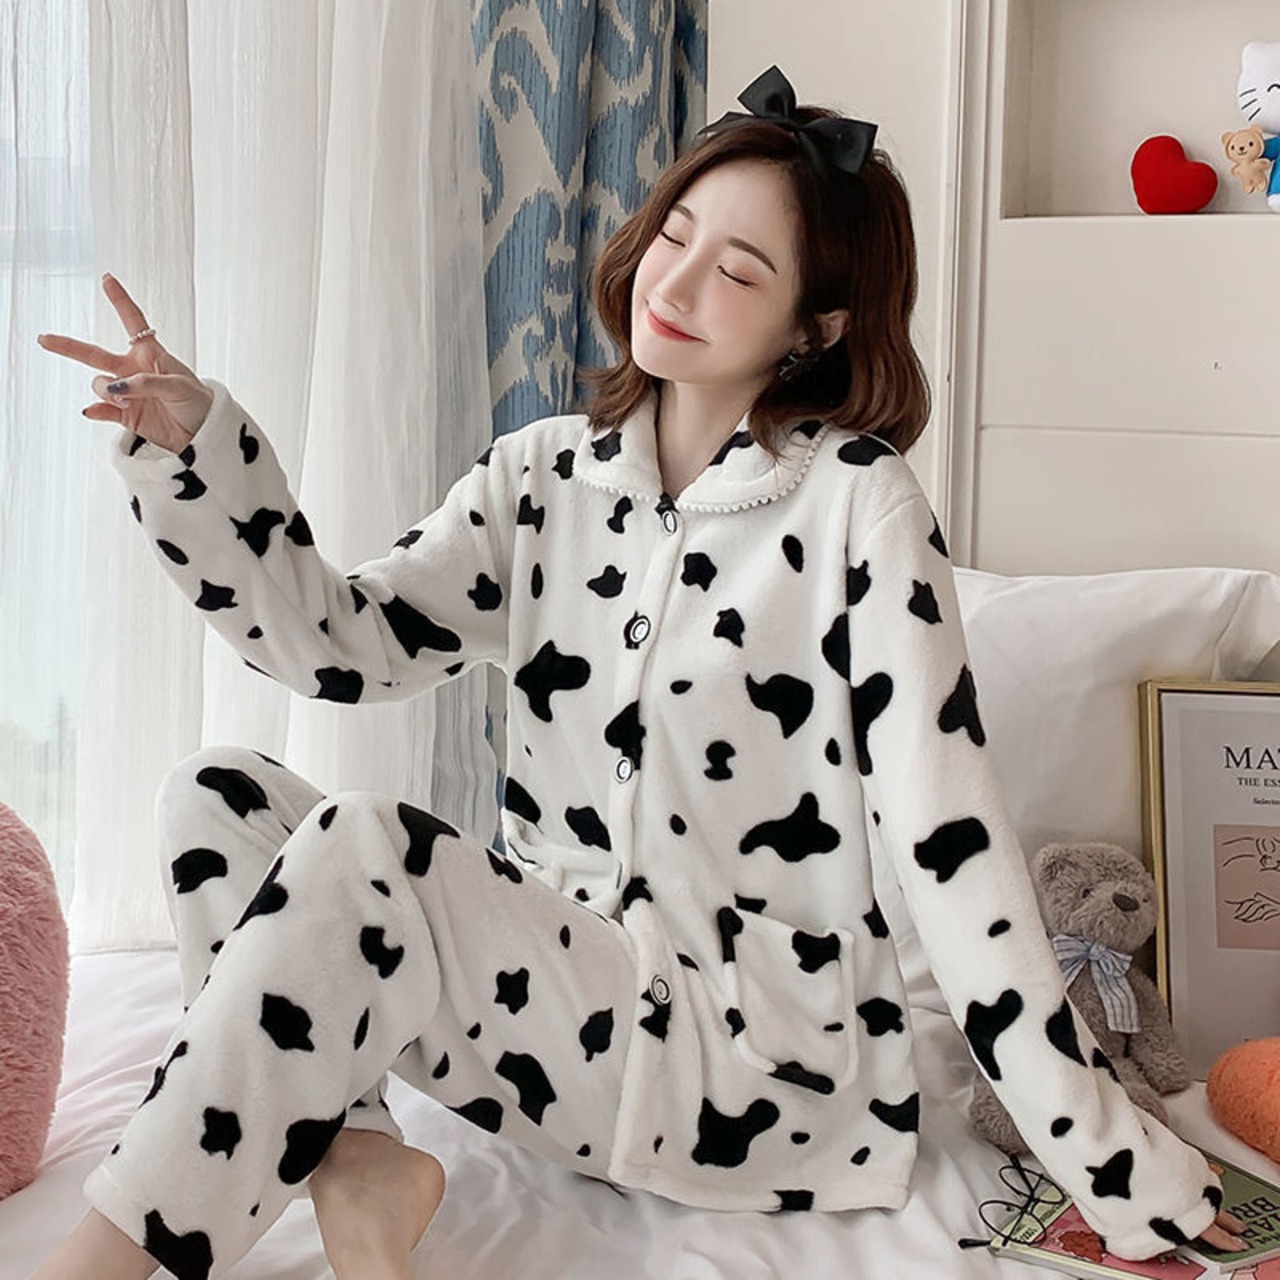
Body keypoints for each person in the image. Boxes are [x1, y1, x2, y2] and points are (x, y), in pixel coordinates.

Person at [33, 65, 1245, 1280]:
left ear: (814, 327)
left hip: (748, 1069)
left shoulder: (855, 506)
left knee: (361, 847)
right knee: (216, 796)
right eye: (674, 233)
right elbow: (338, 646)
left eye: (738, 271)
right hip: (562, 1026)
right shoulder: (541, 475)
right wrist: (202, 457)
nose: (673, 281)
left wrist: (1107, 1155)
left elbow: (951, 850)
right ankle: (358, 1169)